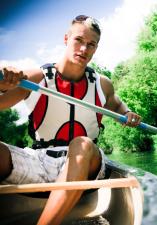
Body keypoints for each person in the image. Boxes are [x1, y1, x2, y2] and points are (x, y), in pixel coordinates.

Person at [0, 15, 141, 225]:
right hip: (40, 161)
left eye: (91, 44)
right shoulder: (35, 78)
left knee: (82, 143)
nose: (84, 49)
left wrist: (128, 113)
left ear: (96, 49)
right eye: (79, 40)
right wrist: (3, 85)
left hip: (88, 166)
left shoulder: (102, 85)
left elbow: (118, 105)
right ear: (66, 39)